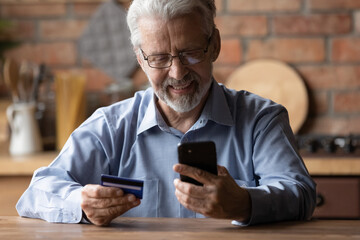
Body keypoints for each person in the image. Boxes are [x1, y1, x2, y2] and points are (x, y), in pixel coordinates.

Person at [16, 0, 316, 226]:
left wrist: (245, 203)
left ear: (215, 46)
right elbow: (36, 192)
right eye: (159, 58)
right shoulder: (110, 126)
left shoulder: (262, 120)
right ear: (141, 60)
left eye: (190, 53)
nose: (177, 72)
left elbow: (301, 194)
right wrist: (79, 202)